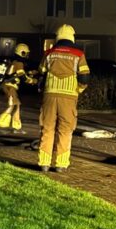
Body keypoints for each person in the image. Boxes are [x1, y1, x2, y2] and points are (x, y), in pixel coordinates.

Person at [37, 24, 90, 172]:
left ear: (57, 37)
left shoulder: (49, 53)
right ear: (72, 37)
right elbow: (85, 77)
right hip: (68, 97)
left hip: (50, 95)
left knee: (47, 128)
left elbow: (41, 72)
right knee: (65, 130)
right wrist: (78, 90)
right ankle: (60, 164)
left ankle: (44, 163)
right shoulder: (79, 54)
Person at [0, 43, 38, 134]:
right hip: (10, 87)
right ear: (22, 53)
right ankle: (2, 122)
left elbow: (19, 73)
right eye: (26, 53)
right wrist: (34, 81)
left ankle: (16, 127)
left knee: (16, 105)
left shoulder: (15, 62)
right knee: (13, 105)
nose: (27, 55)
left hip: (9, 86)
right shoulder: (19, 63)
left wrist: (31, 72)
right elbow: (23, 77)